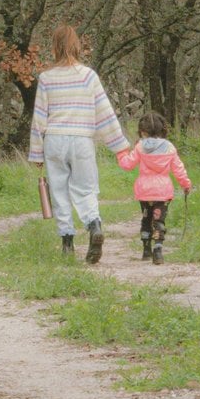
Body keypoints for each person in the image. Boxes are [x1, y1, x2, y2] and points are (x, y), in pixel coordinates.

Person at [27, 25, 130, 263]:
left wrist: (36, 154)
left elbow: (39, 117)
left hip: (54, 140)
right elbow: (104, 112)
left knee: (60, 191)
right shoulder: (88, 76)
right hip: (82, 139)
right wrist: (119, 145)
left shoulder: (46, 78)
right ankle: (94, 226)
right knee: (86, 188)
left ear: (54, 47)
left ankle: (67, 244)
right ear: (76, 45)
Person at [116, 111, 192, 265]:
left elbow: (127, 164)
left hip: (144, 191)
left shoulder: (140, 147)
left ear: (143, 131)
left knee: (146, 219)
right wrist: (186, 184)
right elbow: (178, 169)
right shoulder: (169, 147)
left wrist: (121, 152)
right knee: (159, 220)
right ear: (162, 129)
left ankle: (146, 250)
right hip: (162, 191)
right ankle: (158, 250)